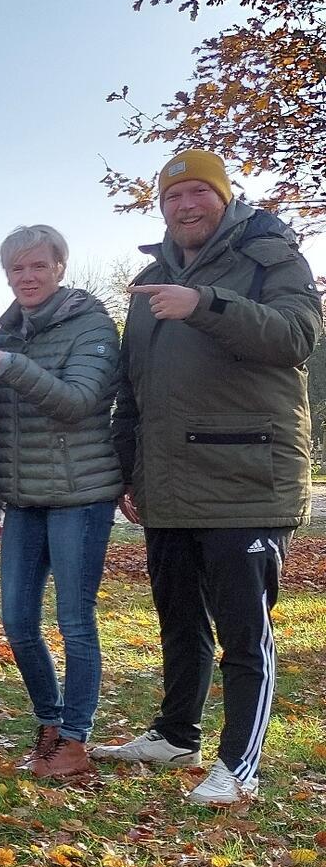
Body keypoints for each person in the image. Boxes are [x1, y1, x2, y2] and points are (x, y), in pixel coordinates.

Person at [94, 150, 320, 806]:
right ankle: (175, 734)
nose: (185, 205)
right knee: (179, 618)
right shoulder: (148, 279)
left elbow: (296, 338)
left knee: (245, 633)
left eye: (198, 192)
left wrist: (206, 304)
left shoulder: (271, 257)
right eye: (173, 197)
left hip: (247, 476)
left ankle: (238, 767)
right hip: (169, 485)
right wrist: (126, 470)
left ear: (224, 197)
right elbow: (134, 389)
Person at [0, 225, 121, 780]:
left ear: (60, 268)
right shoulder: (8, 336)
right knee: (17, 621)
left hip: (80, 496)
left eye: (37, 267)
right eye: (16, 270)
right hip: (24, 500)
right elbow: (6, 428)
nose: (27, 278)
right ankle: (49, 726)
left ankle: (76, 741)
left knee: (74, 621)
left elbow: (76, 402)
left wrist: (10, 368)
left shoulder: (92, 326)